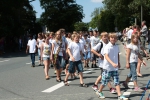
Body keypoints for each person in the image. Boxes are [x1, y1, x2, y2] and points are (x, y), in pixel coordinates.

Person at [96, 33, 127, 99]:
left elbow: (117, 54)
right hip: (108, 68)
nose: (113, 39)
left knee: (117, 81)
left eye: (114, 38)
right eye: (111, 38)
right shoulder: (107, 46)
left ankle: (119, 95)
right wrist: (112, 63)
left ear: (116, 39)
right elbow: (106, 56)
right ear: (109, 38)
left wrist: (118, 62)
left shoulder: (116, 46)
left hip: (114, 68)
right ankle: (99, 91)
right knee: (105, 82)